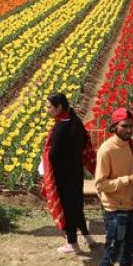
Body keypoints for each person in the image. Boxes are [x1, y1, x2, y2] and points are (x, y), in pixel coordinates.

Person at [85, 107, 133, 266]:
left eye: (131, 126)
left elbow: (128, 168)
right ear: (114, 126)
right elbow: (100, 184)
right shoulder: (106, 150)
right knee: (113, 251)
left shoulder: (131, 144)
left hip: (132, 205)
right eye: (124, 126)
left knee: (130, 251)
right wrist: (127, 180)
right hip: (115, 209)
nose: (129, 130)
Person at [40, 92, 96, 255]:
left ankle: (72, 244)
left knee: (67, 208)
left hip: (63, 174)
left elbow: (53, 154)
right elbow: (86, 141)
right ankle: (88, 236)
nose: (47, 110)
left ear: (59, 107)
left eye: (49, 107)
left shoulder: (61, 126)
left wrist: (46, 160)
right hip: (76, 170)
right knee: (77, 205)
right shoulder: (74, 120)